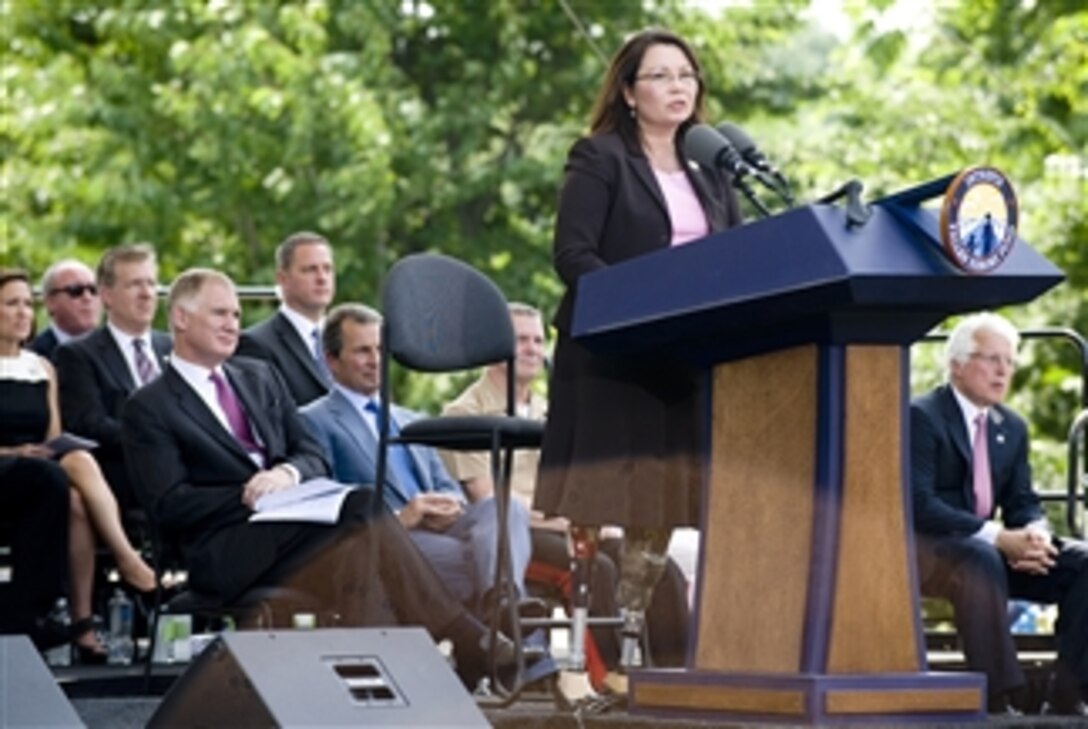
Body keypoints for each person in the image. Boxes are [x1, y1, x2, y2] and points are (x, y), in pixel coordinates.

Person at [121, 268, 514, 685]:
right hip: (224, 549)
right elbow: (168, 505)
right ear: (180, 318)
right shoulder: (150, 406)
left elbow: (311, 454)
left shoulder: (260, 376)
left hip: (295, 532)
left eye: (236, 314)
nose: (233, 324)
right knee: (362, 513)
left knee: (356, 541)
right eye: (220, 313)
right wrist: (250, 495)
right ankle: (458, 645)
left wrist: (287, 474)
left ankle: (370, 683)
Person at [534, 28, 742, 678]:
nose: (678, 87)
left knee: (662, 505)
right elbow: (574, 255)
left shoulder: (715, 166)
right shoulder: (599, 158)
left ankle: (630, 643)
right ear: (628, 91)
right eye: (660, 76)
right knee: (602, 500)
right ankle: (583, 651)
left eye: (687, 75)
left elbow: (736, 255)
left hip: (685, 359)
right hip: (612, 357)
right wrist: (640, 311)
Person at [441, 303, 691, 690]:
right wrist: (569, 518)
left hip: (566, 524)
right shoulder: (464, 415)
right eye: (520, 339)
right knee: (595, 568)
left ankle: (673, 675)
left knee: (657, 566)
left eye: (538, 340)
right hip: (517, 539)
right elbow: (488, 499)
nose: (532, 349)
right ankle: (602, 678)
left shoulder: (552, 412)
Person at [299, 303, 535, 618]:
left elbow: (446, 485)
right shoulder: (312, 421)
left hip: (442, 528)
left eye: (382, 349)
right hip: (389, 541)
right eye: (362, 351)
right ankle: (517, 646)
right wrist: (402, 517)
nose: (375, 360)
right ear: (332, 361)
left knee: (506, 509)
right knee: (485, 559)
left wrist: (446, 504)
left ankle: (502, 603)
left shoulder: (412, 419)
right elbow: (326, 503)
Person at [911, 312, 1088, 716]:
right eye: (991, 359)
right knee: (983, 556)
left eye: (1009, 361)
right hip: (929, 553)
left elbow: (1023, 499)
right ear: (956, 365)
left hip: (991, 551)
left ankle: (1067, 693)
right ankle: (998, 698)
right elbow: (919, 504)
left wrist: (1035, 533)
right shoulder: (922, 416)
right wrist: (996, 537)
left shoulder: (1012, 426)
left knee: (1082, 563)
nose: (1003, 371)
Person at [0, 268, 154, 663]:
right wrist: (14, 454)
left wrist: (45, 452)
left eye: (26, 304)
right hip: (6, 466)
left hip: (40, 470)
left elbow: (52, 436)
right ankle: (121, 563)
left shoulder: (41, 367)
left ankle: (76, 620)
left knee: (76, 496)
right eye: (11, 304)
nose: (22, 313)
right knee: (49, 477)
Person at [54, 244, 171, 512]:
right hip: (126, 470)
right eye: (134, 285)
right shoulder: (78, 355)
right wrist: (157, 439)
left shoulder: (175, 348)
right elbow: (88, 423)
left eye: (151, 283)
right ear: (106, 295)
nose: (146, 294)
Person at [235, 231, 335, 406]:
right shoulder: (255, 344)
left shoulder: (347, 338)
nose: (322, 278)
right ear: (283, 279)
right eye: (310, 270)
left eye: (327, 269)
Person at [29, 259, 102, 360]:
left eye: (94, 290)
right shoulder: (31, 356)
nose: (87, 298)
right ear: (50, 302)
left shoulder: (121, 348)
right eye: (75, 291)